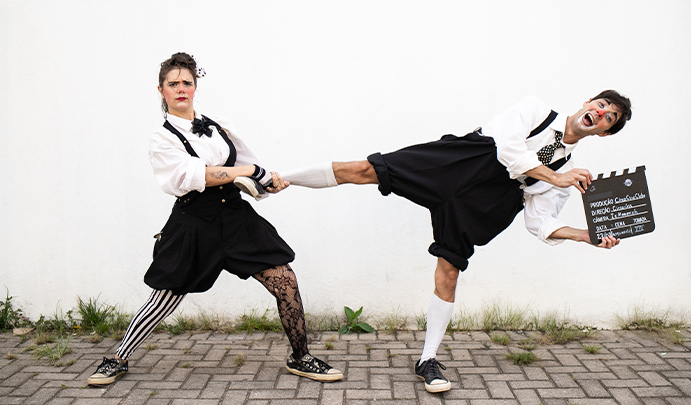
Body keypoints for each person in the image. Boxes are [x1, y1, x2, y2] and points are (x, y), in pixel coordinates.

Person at [236, 91, 631, 393]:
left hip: (486, 201)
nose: (600, 114)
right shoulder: (536, 110)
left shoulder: (568, 170)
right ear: (587, 102)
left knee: (449, 272)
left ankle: (427, 361)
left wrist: (585, 235)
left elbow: (540, 222)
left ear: (604, 132)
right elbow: (510, 150)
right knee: (366, 169)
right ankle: (273, 180)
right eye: (600, 105)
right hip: (460, 161)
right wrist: (556, 176)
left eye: (608, 118)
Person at [86, 53, 343, 386]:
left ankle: (301, 357)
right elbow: (200, 176)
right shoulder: (162, 139)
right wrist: (250, 171)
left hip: (236, 219)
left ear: (195, 87)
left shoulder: (219, 126)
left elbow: (250, 168)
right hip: (194, 224)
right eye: (173, 84)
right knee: (164, 298)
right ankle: (118, 358)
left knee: (285, 280)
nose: (181, 89)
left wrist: (268, 181)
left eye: (187, 83)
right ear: (161, 90)